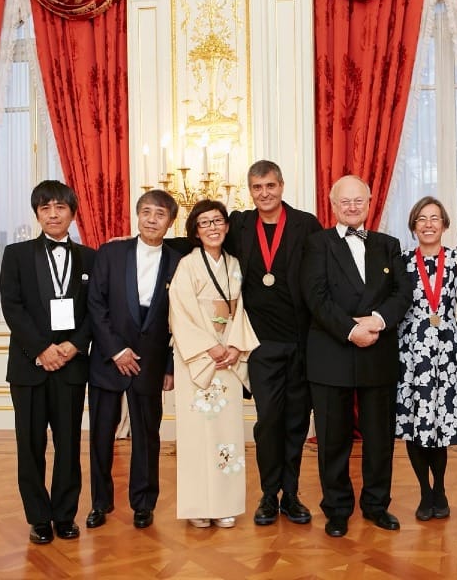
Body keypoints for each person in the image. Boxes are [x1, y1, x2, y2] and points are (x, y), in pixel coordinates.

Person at [301, 174, 412, 538]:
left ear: (369, 203)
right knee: (333, 439)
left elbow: (401, 293)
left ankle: (377, 505)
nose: (351, 207)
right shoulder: (317, 244)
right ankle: (336, 509)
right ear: (332, 206)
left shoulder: (388, 244)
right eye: (344, 201)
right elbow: (316, 297)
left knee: (380, 437)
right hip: (331, 352)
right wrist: (351, 330)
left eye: (358, 201)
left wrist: (376, 322)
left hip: (378, 352)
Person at [223, 160, 322, 526]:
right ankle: (268, 494)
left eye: (270, 186)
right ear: (250, 190)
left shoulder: (306, 224)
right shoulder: (240, 224)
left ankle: (291, 494)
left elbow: (323, 270)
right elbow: (201, 239)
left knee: (296, 420)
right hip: (259, 345)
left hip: (300, 341)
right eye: (257, 187)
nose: (264, 193)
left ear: (282, 185)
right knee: (268, 422)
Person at [0, 180, 96, 545]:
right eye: (45, 208)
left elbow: (95, 310)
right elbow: (13, 307)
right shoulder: (16, 254)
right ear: (37, 214)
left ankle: (64, 515)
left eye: (60, 207)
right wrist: (42, 349)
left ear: (72, 212)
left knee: (69, 444)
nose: (53, 214)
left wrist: (73, 346)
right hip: (29, 367)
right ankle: (38, 518)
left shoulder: (91, 257)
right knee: (30, 445)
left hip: (71, 366)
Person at [86, 190, 182, 530]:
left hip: (151, 362)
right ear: (136, 216)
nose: (152, 219)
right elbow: (95, 304)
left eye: (160, 214)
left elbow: (183, 318)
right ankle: (100, 502)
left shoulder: (179, 260)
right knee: (100, 436)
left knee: (146, 436)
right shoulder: (112, 252)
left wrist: (170, 366)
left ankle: (143, 503)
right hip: (108, 359)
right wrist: (116, 350)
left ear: (171, 223)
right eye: (146, 212)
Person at [168, 199, 260, 528]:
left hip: (229, 357)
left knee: (228, 434)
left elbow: (242, 309)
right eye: (205, 222)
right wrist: (211, 348)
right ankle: (198, 506)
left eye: (218, 221)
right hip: (200, 359)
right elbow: (180, 313)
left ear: (226, 225)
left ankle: (224, 504)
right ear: (195, 230)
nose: (213, 227)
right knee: (196, 434)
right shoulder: (187, 265)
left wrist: (234, 346)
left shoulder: (235, 264)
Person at [396, 196, 457, 522]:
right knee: (416, 423)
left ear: (444, 224)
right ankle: (424, 492)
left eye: (435, 219)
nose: (428, 225)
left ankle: (440, 488)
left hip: (446, 349)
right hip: (411, 350)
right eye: (422, 219)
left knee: (440, 424)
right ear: (413, 225)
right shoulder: (400, 261)